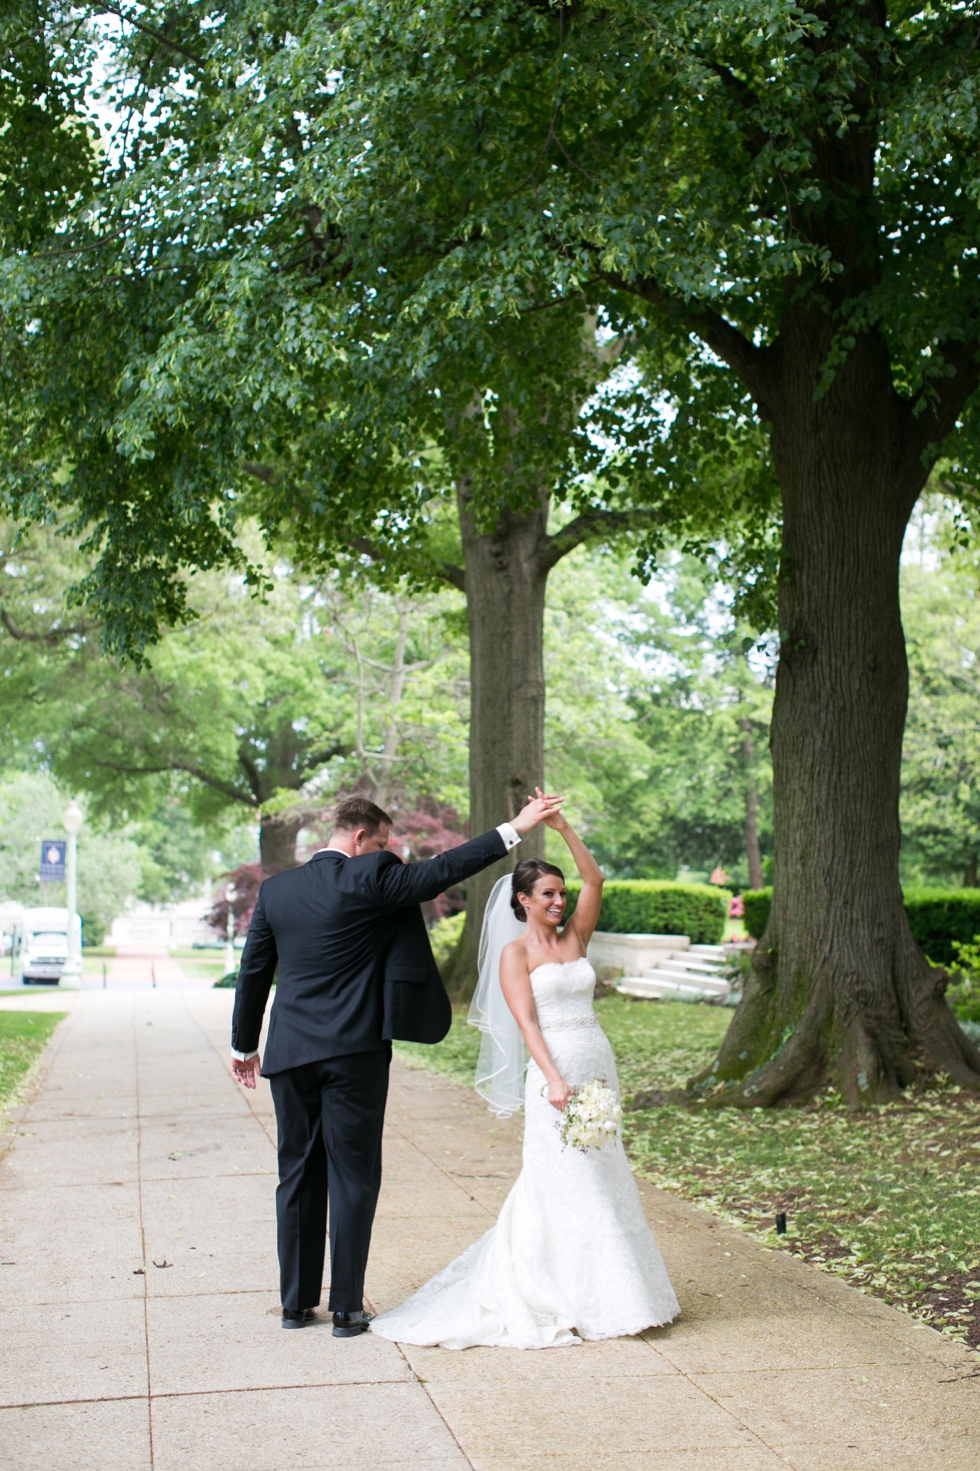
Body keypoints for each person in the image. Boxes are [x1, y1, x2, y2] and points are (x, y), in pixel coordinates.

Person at [229, 790, 562, 1336]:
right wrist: (515, 827)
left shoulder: (276, 891)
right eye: (384, 844)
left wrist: (245, 1047)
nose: (393, 854)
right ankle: (345, 1309)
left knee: (297, 1174)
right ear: (361, 840)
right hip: (353, 1052)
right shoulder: (373, 875)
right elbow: (443, 870)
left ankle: (294, 1305)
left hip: (289, 1054)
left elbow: (253, 972)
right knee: (353, 1176)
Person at [370, 802, 680, 1349]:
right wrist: (555, 1079)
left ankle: (617, 1292)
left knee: (605, 1175)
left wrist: (562, 828)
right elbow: (527, 1023)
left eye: (561, 895)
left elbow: (596, 878)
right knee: (562, 1181)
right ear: (523, 901)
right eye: (548, 896)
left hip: (597, 1066)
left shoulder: (576, 936)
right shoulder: (516, 954)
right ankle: (561, 1293)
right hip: (554, 1076)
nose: (560, 902)